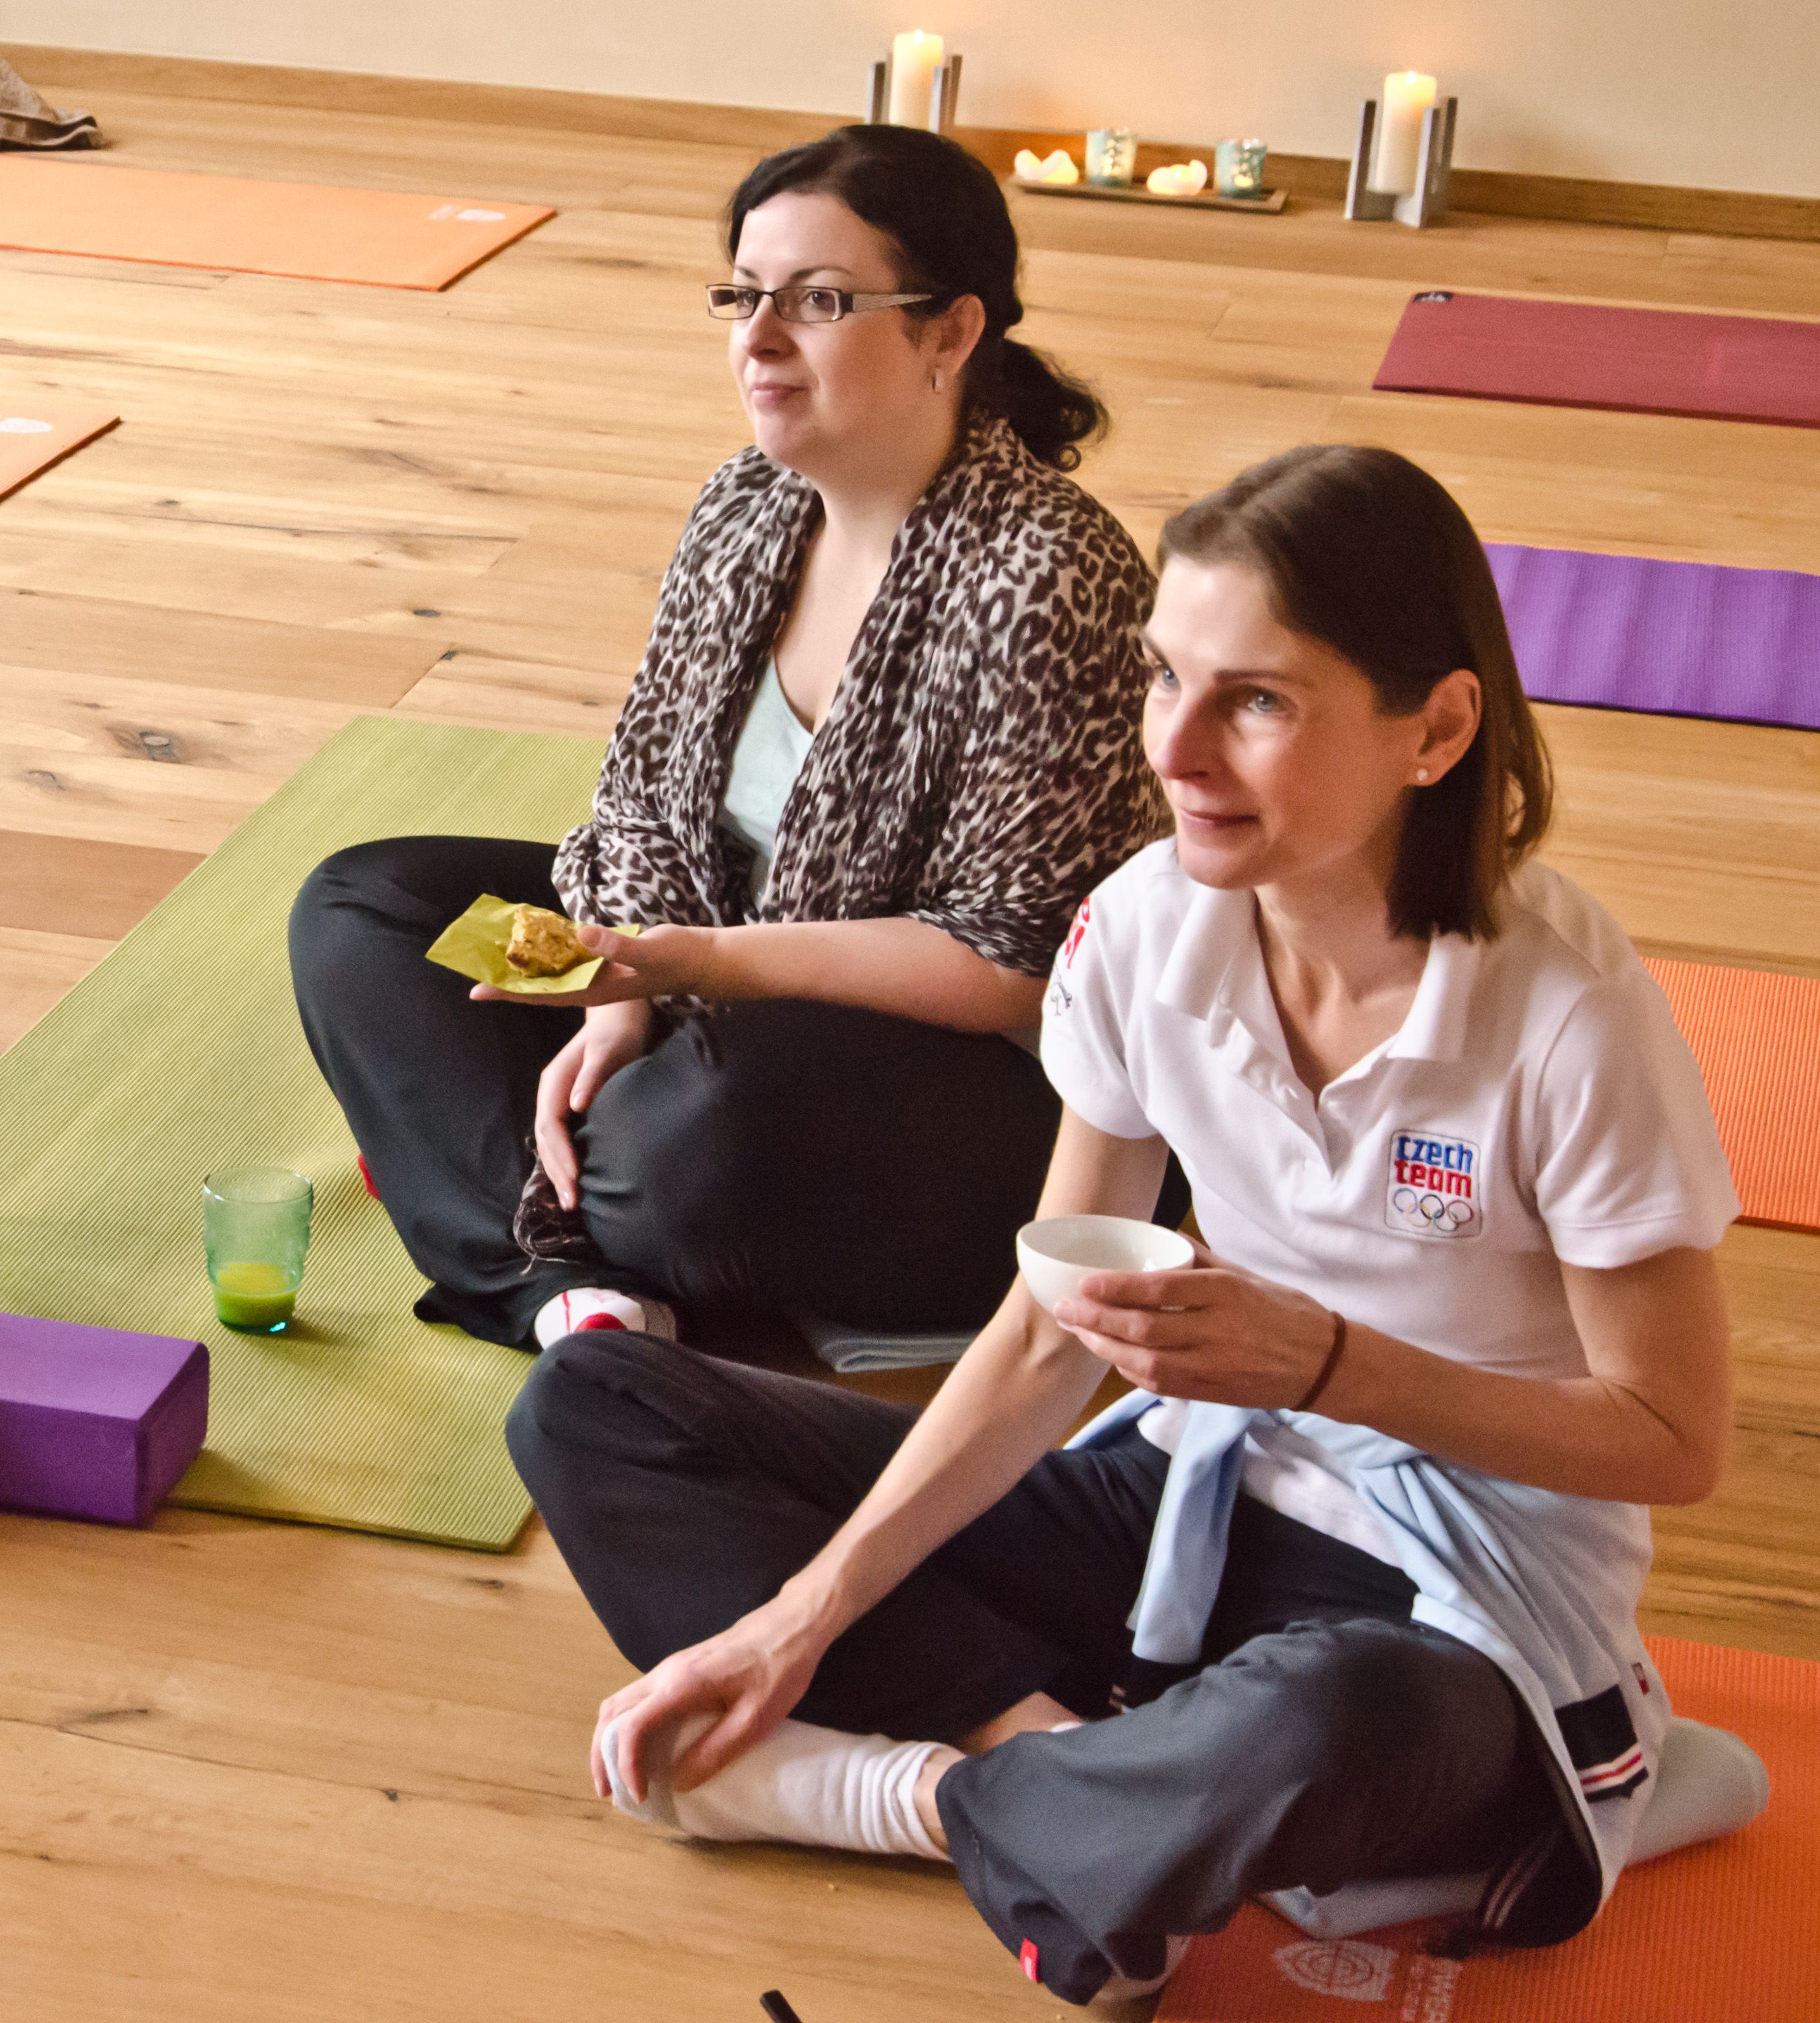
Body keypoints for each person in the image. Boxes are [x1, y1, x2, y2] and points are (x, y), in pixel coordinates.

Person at [506, 445, 1738, 2008]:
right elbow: (1045, 1330)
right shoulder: (1147, 927)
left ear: (1433, 729)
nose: (1177, 748)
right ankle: (1086, 1788)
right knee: (592, 1403)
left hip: (1451, 1589)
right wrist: (794, 1624)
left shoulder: (1568, 1019)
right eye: (1167, 678)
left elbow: (1671, 1440)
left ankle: (914, 1799)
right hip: (1180, 1499)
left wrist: (1328, 1366)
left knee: (1322, 1727)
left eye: (1257, 701)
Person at [289, 124, 1166, 1369]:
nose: (758, 339)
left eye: (819, 301)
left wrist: (690, 968)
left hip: (951, 1077)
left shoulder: (1048, 574)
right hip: (706, 976)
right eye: (743, 295)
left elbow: (1010, 964)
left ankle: (498, 1203)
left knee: (689, 1136)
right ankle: (571, 1293)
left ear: (951, 331)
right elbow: (639, 802)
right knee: (364, 909)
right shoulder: (745, 504)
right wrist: (622, 1001)